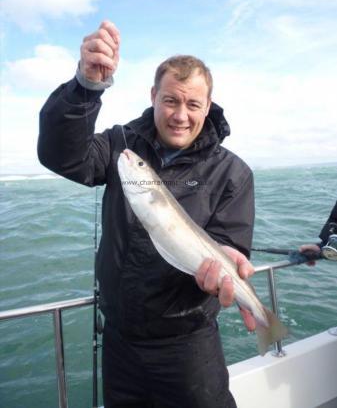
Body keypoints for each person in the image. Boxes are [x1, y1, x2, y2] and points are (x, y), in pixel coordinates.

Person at [38, 20, 255, 408]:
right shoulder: (122, 146)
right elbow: (62, 156)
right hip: (119, 343)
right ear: (153, 95)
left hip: (189, 347)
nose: (180, 115)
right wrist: (85, 89)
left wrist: (227, 262)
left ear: (208, 106)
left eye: (193, 104)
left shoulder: (232, 173)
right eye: (171, 100)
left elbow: (229, 243)